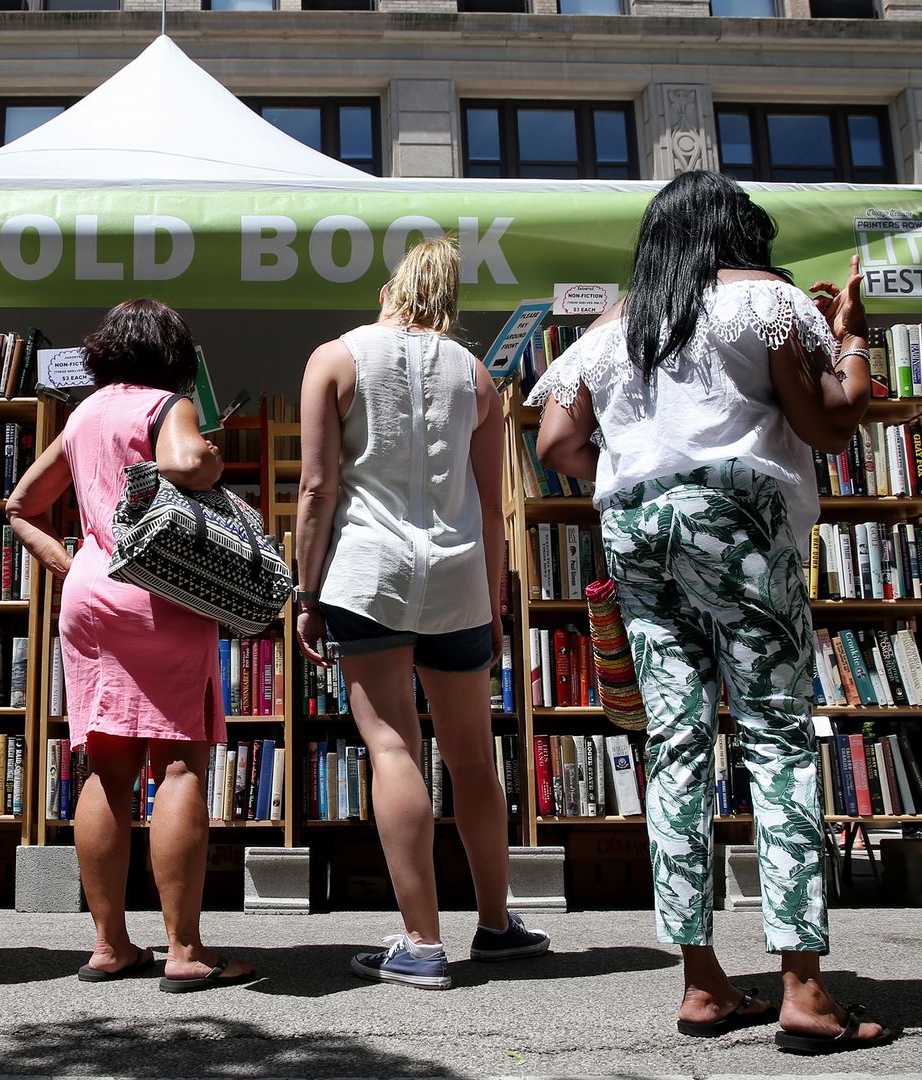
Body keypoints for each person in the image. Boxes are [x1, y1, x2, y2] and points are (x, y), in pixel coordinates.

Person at [531, 171, 894, 1053]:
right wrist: (851, 340)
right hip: (737, 516)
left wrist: (648, 469)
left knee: (678, 743)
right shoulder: (763, 300)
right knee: (774, 736)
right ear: (738, 232)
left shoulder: (614, 325)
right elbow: (830, 426)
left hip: (633, 524)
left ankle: (702, 983)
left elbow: (558, 444)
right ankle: (804, 989)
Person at [292, 236, 549, 991]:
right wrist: (497, 603)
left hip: (367, 575)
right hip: (460, 580)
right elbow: (495, 507)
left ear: (386, 292)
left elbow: (316, 489)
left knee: (393, 748)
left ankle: (422, 942)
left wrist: (307, 595)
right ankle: (497, 926)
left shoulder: (334, 359)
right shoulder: (477, 376)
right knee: (472, 758)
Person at [6, 299, 255, 993]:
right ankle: (184, 951)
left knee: (107, 768)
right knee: (179, 766)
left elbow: (20, 506)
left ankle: (111, 944)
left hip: (90, 595)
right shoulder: (166, 405)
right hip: (160, 594)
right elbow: (185, 465)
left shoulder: (83, 413)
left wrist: (67, 561)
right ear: (171, 354)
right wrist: (206, 453)